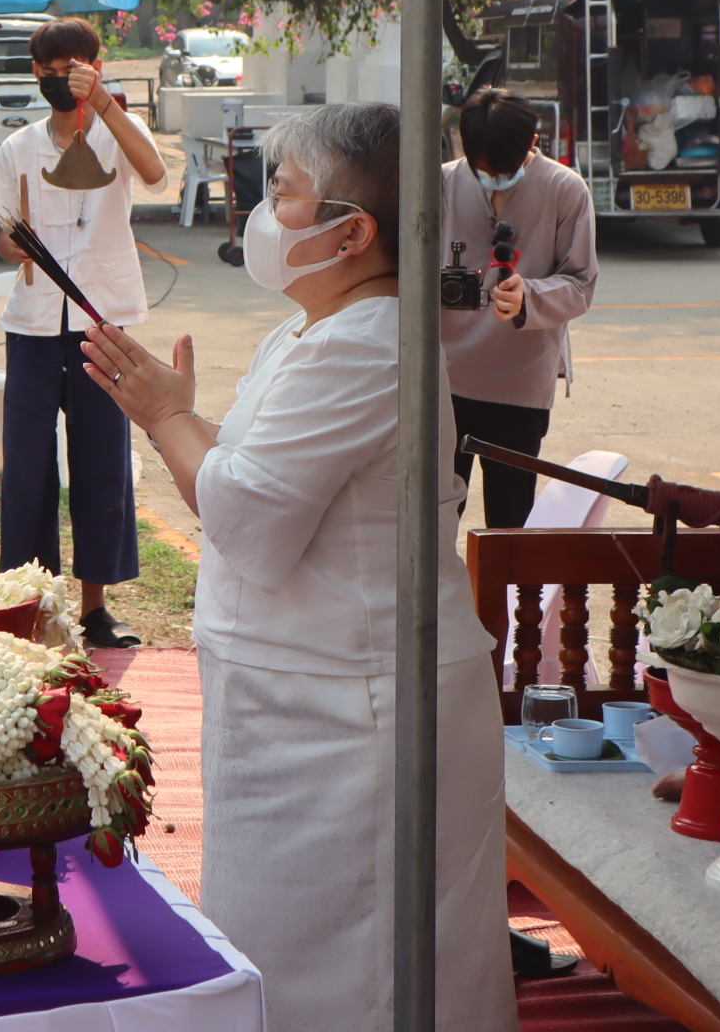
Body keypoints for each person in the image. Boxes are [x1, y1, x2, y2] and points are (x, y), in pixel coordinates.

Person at [79, 103, 517, 1032]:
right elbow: (249, 475)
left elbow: (245, 516)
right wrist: (181, 419)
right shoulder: (319, 331)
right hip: (307, 699)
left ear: (353, 232)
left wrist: (165, 417)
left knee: (356, 981)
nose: (261, 218)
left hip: (355, 721)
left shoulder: (368, 346)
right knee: (281, 954)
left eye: (281, 196)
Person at [0, 16, 166, 650]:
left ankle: (95, 608)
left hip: (102, 319)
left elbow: (154, 174)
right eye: (50, 68)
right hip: (33, 322)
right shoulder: (19, 148)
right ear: (36, 73)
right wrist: (15, 243)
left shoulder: (117, 132)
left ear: (96, 63)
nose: (62, 77)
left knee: (102, 462)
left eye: (75, 66)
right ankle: (31, 603)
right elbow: (1, 231)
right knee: (28, 469)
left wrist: (107, 103)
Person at [442, 87, 597, 528]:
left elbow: (581, 283)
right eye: (481, 170)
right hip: (445, 378)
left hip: (520, 385)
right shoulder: (440, 183)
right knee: (435, 515)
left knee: (510, 520)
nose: (494, 178)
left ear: (534, 142)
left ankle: (503, 600)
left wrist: (529, 295)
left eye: (505, 171)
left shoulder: (565, 189)